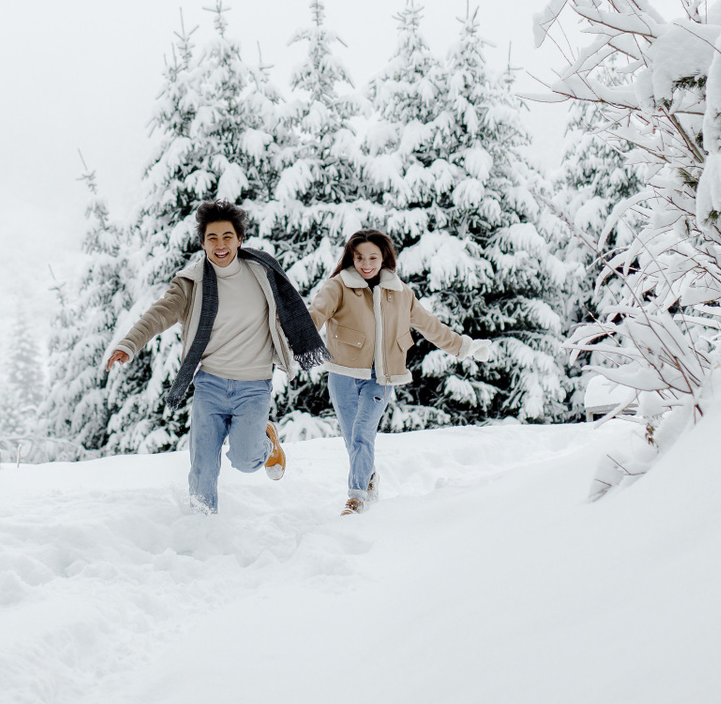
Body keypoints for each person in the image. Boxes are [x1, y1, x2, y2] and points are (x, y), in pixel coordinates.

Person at [103, 200, 330, 513]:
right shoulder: (192, 282)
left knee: (246, 460)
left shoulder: (263, 273)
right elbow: (160, 313)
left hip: (253, 386)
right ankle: (202, 525)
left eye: (227, 237)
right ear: (202, 243)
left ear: (239, 239)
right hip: (210, 385)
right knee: (203, 467)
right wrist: (129, 344)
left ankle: (267, 443)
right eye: (212, 238)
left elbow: (290, 314)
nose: (220, 245)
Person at [307, 228, 491, 515]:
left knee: (362, 433)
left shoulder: (401, 292)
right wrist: (291, 338)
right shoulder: (338, 286)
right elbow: (315, 315)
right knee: (351, 436)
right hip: (343, 373)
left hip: (381, 376)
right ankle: (368, 476)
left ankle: (356, 497)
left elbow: (430, 325)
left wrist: (463, 347)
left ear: (384, 258)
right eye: (359, 257)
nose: (366, 264)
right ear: (351, 258)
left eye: (373, 257)